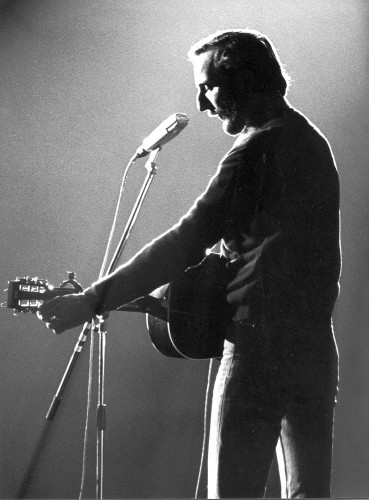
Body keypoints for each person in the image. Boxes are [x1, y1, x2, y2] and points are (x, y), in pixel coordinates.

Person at [37, 29, 341, 498]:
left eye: (208, 87)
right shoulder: (312, 142)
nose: (202, 104)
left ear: (241, 78)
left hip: (258, 350)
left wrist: (94, 299)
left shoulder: (255, 151)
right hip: (315, 348)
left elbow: (186, 241)